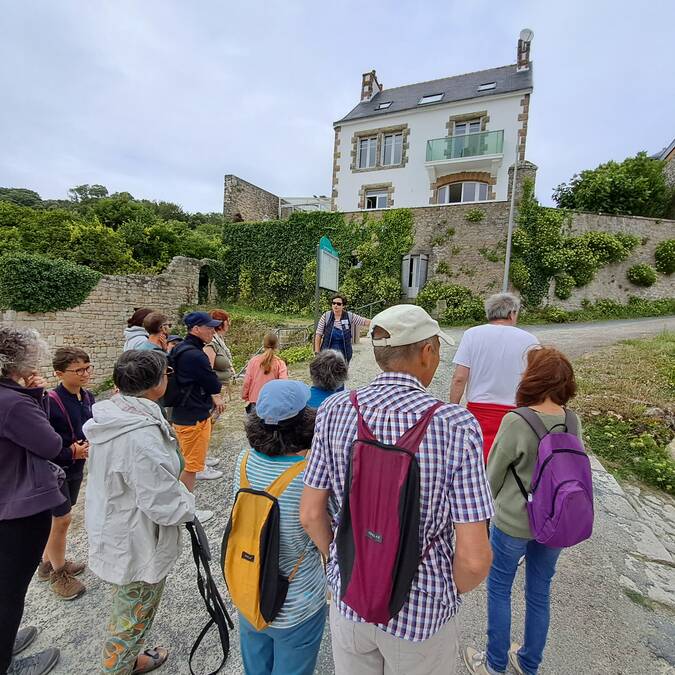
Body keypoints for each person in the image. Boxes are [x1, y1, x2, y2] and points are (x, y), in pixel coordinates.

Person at [300, 304, 494, 675]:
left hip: (351, 600)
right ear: (427, 351)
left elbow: (310, 514)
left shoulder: (335, 410)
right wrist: (441, 593)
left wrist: (344, 563)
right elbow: (473, 559)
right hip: (421, 619)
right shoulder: (456, 425)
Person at [463, 346, 582, 675]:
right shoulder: (572, 420)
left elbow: (492, 475)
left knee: (500, 588)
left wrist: (482, 518)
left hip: (514, 520)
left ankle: (495, 664)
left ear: (532, 378)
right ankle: (528, 663)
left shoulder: (517, 420)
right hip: (555, 522)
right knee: (539, 591)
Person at [84, 350, 195, 675]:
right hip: (136, 537)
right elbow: (162, 503)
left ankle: (127, 658)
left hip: (118, 522)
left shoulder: (116, 416)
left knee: (128, 605)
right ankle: (118, 666)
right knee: (132, 613)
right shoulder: (140, 439)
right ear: (157, 385)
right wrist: (188, 508)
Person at [233, 380, 326, 675]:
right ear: (306, 421)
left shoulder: (243, 461)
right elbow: (324, 530)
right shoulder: (309, 476)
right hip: (297, 603)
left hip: (249, 590)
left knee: (256, 666)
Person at [0, 325, 62, 675]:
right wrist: (34, 398)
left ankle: (5, 643)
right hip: (17, 510)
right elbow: (50, 444)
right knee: (9, 591)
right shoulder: (12, 402)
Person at [449, 293, 539, 462]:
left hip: (478, 413)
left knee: (476, 463)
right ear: (512, 314)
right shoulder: (530, 340)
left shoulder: (472, 335)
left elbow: (459, 378)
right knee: (508, 466)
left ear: (489, 313)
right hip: (515, 415)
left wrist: (453, 409)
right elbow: (536, 380)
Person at [38, 347, 94, 601]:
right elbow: (43, 442)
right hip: (56, 470)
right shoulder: (50, 402)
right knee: (62, 519)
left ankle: (47, 561)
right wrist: (69, 452)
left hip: (75, 468)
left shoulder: (88, 397)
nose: (85, 373)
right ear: (59, 373)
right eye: (78, 370)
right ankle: (59, 575)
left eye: (87, 367)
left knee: (60, 516)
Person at [171, 312, 226, 502]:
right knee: (190, 466)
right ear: (196, 329)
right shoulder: (195, 355)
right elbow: (213, 384)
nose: (213, 330)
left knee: (190, 462)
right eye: (208, 327)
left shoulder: (181, 349)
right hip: (192, 415)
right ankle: (185, 506)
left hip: (185, 411)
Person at [313, 294, 370, 364]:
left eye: (339, 304)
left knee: (341, 373)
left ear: (343, 306)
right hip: (327, 355)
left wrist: (379, 321)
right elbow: (318, 335)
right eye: (333, 303)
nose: (335, 305)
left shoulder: (349, 316)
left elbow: (364, 322)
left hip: (344, 355)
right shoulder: (326, 316)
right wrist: (317, 353)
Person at [242, 333, 288, 414]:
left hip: (255, 401)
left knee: (254, 426)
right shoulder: (280, 363)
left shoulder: (253, 361)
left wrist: (245, 396)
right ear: (277, 345)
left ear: (263, 344)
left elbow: (246, 382)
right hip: (273, 402)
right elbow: (283, 384)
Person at [203, 309, 236, 395]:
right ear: (221, 324)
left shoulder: (219, 340)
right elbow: (207, 370)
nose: (229, 323)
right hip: (216, 390)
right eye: (227, 320)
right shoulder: (211, 343)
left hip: (222, 387)